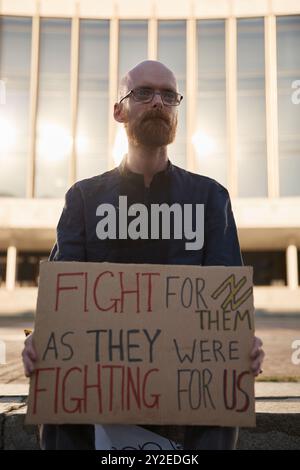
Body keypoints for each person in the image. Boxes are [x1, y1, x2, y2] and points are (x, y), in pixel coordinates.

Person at [22, 60, 265, 450]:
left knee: (224, 390)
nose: (158, 102)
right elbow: (62, 301)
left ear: (176, 113)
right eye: (143, 93)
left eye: (169, 95)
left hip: (186, 392)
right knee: (56, 398)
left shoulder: (210, 197)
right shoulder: (84, 198)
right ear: (119, 110)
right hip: (99, 390)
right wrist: (45, 341)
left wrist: (241, 342)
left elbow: (226, 304)